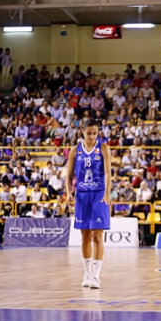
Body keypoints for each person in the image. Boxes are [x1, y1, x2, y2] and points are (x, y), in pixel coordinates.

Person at [66, 119, 112, 290]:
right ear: (82, 132)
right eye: (89, 133)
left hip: (99, 194)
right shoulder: (74, 151)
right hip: (82, 195)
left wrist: (107, 192)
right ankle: (87, 273)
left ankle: (96, 276)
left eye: (95, 133)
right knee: (85, 236)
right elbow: (69, 175)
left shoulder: (104, 148)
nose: (92, 136)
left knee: (97, 236)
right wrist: (68, 191)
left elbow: (108, 173)